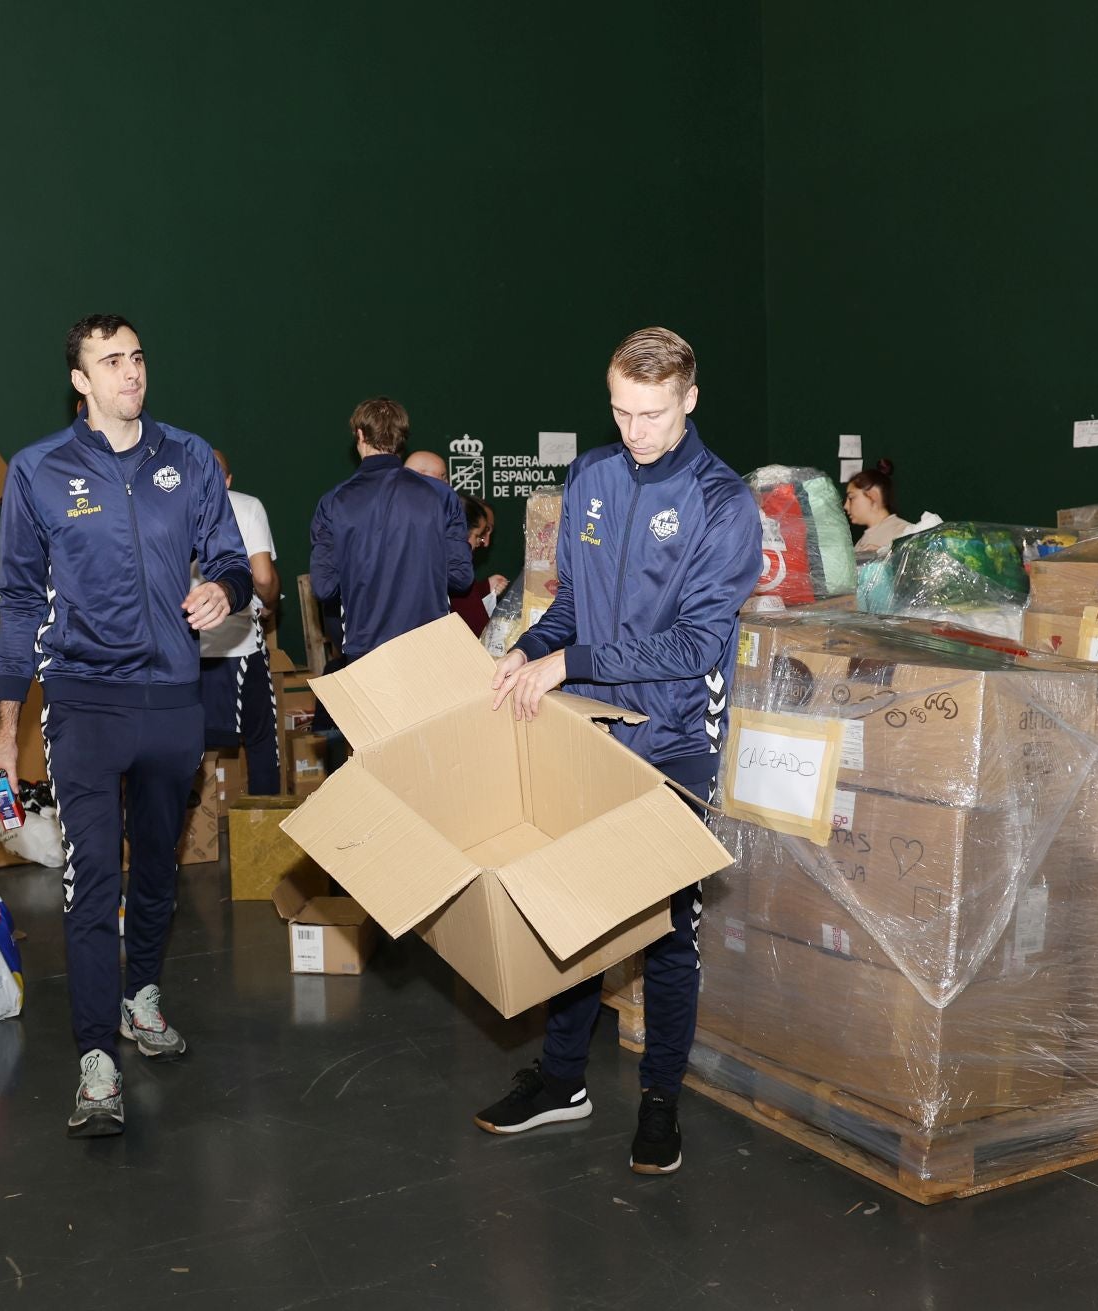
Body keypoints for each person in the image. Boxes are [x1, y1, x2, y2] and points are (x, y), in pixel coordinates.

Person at [476, 326, 762, 1176]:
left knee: (667, 933)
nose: (634, 429)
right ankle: (564, 1078)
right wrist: (533, 648)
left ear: (690, 399)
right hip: (587, 732)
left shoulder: (721, 502)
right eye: (620, 411)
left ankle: (661, 1101)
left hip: (673, 740)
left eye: (652, 413)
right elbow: (571, 609)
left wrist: (576, 658)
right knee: (575, 912)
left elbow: (695, 646)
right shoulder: (593, 477)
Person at [0, 314, 252, 1139]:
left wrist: (225, 593)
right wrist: (3, 725)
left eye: (136, 357)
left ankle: (141, 999)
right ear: (81, 380)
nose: (131, 372)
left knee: (160, 872)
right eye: (111, 361)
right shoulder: (37, 471)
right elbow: (22, 600)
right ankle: (96, 1056)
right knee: (92, 874)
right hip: (83, 700)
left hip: (173, 696)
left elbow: (232, 558)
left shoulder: (189, 458)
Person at [310, 397, 473, 663]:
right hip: (431, 645)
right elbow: (460, 577)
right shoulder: (441, 495)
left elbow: (324, 587)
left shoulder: (333, 502)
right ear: (401, 438)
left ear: (360, 435)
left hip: (365, 648)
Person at [197, 449, 282, 795]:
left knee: (178, 750)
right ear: (228, 480)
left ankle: (180, 842)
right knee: (261, 744)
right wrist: (270, 603)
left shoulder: (165, 507)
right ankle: (263, 843)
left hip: (184, 652)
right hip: (241, 648)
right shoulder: (247, 507)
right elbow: (262, 577)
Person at [844, 458, 939, 555]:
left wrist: (886, 557)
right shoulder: (862, 542)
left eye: (851, 498)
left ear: (873, 496)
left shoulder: (903, 532)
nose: (846, 506)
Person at [450, 494, 509, 635]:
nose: (484, 542)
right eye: (480, 535)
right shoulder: (452, 569)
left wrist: (484, 588)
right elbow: (478, 628)